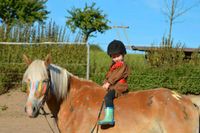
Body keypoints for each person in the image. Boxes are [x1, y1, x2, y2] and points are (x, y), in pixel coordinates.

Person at [98, 40, 131, 126]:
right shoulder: (113, 66)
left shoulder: (123, 65)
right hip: (112, 86)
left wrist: (108, 83)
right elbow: (108, 75)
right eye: (113, 57)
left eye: (118, 56)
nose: (116, 58)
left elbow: (117, 75)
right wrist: (104, 82)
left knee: (108, 97)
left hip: (119, 87)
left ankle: (109, 117)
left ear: (123, 54)